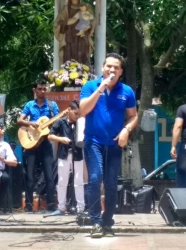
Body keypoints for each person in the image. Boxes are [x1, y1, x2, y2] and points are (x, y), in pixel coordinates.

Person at [79, 53, 138, 237]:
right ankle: (95, 222)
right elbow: (82, 110)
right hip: (93, 141)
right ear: (103, 68)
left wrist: (126, 130)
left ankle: (107, 223)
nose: (112, 70)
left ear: (120, 71)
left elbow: (133, 116)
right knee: (95, 178)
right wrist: (101, 88)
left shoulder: (126, 91)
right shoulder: (90, 86)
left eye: (116, 67)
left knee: (111, 184)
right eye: (109, 66)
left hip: (114, 144)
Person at [17, 80, 59, 212]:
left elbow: (57, 121)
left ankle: (51, 204)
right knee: (29, 176)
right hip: (31, 145)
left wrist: (52, 125)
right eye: (40, 89)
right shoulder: (30, 105)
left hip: (45, 143)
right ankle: (29, 205)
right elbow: (19, 120)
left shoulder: (52, 106)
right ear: (34, 90)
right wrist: (32, 124)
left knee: (49, 175)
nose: (42, 91)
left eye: (44, 89)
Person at [48, 100, 84, 214]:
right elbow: (50, 136)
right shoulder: (61, 122)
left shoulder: (80, 122)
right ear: (69, 110)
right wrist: (61, 139)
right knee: (62, 181)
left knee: (78, 181)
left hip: (77, 153)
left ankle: (80, 208)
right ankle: (61, 207)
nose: (77, 116)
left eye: (79, 114)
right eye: (76, 113)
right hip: (63, 154)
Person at [54, 0, 95, 65]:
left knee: (82, 56)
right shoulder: (66, 8)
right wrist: (67, 22)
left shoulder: (86, 7)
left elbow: (92, 22)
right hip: (69, 37)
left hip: (82, 37)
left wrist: (85, 28)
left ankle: (82, 72)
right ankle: (67, 73)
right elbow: (57, 23)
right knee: (68, 57)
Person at [170, 104, 186, 187]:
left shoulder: (183, 109)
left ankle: (182, 198)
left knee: (182, 172)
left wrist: (173, 146)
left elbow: (178, 126)